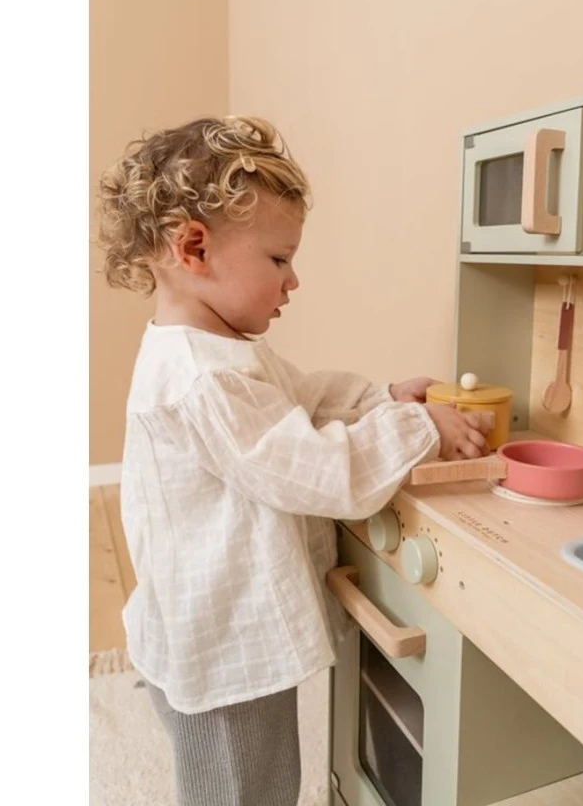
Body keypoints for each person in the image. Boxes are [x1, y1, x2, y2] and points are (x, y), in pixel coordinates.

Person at [97, 115, 491, 806]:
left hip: (216, 630)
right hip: (219, 646)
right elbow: (318, 472)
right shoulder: (201, 377)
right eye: (279, 260)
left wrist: (380, 399)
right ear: (194, 248)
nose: (293, 280)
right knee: (243, 791)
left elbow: (300, 401)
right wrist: (417, 428)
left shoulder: (219, 352)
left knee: (261, 782)